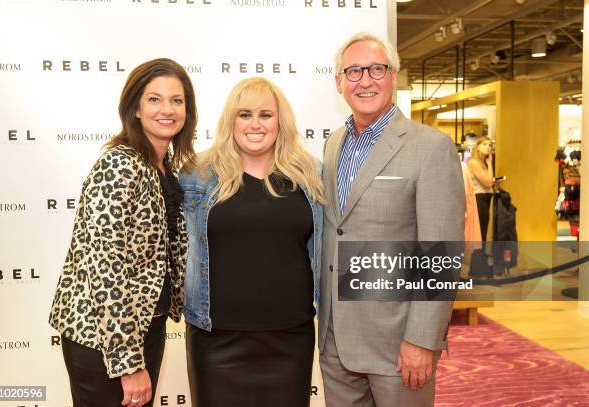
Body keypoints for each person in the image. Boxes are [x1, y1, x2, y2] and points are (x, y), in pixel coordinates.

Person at [318, 33, 465, 406]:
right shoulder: (334, 142)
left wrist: (421, 339)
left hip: (398, 344)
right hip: (336, 340)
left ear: (394, 76)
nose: (365, 80)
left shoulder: (430, 147)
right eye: (353, 71)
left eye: (376, 69)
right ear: (339, 82)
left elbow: (441, 254)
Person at [49, 58, 197, 407]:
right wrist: (127, 363)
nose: (168, 109)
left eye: (177, 100)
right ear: (135, 109)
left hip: (147, 326)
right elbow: (105, 268)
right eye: (154, 99)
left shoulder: (163, 167)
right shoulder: (119, 164)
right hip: (104, 337)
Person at [179, 77, 324, 407]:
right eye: (244, 114)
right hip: (216, 340)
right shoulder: (197, 174)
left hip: (291, 338)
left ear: (280, 121)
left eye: (265, 115)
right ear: (231, 120)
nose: (255, 124)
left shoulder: (310, 173)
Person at [467, 136, 496, 241]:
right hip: (479, 199)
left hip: (484, 199)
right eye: (484, 144)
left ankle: (480, 256)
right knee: (480, 233)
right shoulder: (474, 162)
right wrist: (490, 164)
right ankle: (479, 257)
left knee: (483, 232)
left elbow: (488, 181)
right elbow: (488, 182)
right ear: (477, 147)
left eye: (490, 145)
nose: (488, 147)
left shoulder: (482, 163)